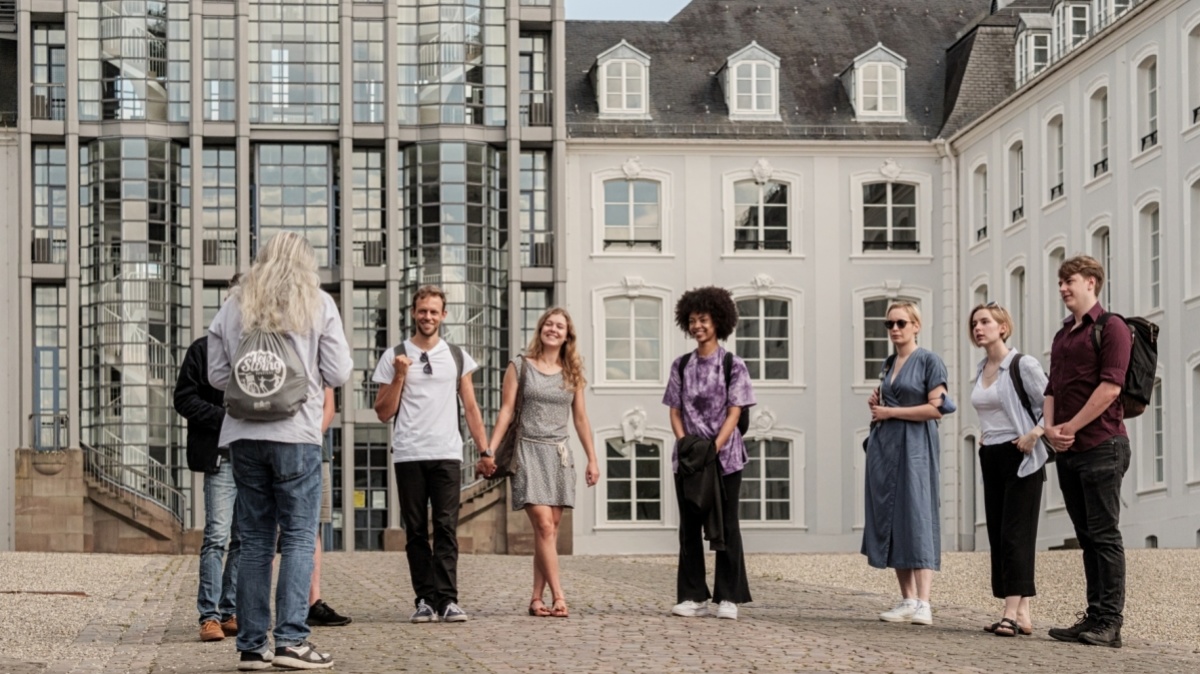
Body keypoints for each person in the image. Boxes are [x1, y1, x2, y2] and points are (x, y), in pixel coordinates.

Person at [209, 232, 353, 671]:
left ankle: (252, 646)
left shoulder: (235, 304)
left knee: (253, 540)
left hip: (245, 434)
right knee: (296, 538)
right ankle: (291, 641)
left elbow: (217, 375)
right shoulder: (317, 303)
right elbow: (340, 370)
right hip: (297, 432)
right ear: (305, 263)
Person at [372, 285, 489, 624]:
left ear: (443, 315)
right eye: (422, 311)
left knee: (446, 527)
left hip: (446, 452)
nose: (428, 317)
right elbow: (382, 411)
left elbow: (470, 407)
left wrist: (485, 449)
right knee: (416, 531)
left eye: (434, 311)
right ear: (413, 312)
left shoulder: (456, 355)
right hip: (409, 452)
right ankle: (424, 598)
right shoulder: (394, 355)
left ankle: (448, 599)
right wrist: (399, 375)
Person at [478, 307, 600, 618]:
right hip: (528, 452)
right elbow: (506, 411)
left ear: (566, 335)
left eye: (560, 326)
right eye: (549, 323)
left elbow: (582, 419)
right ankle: (559, 596)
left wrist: (592, 459)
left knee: (550, 531)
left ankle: (535, 598)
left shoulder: (573, 374)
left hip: (559, 455)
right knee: (544, 526)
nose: (553, 329)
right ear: (540, 329)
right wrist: (489, 449)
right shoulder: (520, 366)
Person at [1044, 256, 1131, 648]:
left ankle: (1110, 622)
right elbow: (1052, 389)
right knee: (1085, 536)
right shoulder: (1063, 335)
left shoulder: (1111, 328)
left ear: (1092, 283)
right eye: (1061, 282)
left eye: (1070, 281)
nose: (1063, 288)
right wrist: (1050, 430)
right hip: (1068, 449)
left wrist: (1070, 427)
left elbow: (1111, 388)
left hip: (1102, 445)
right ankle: (1093, 616)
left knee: (1104, 535)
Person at [662, 286, 755, 621]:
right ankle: (691, 596)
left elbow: (735, 411)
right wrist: (687, 444)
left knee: (727, 525)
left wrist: (713, 448)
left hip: (726, 459)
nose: (697, 325)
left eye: (703, 319)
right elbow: (674, 410)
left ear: (718, 321)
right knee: (689, 526)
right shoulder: (681, 364)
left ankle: (728, 597)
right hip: (687, 461)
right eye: (692, 320)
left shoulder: (733, 364)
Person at [864, 301, 953, 626]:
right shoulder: (889, 363)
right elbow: (889, 403)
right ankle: (907, 598)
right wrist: (879, 404)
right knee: (891, 514)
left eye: (901, 323)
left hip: (916, 447)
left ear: (916, 325)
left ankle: (924, 602)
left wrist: (892, 412)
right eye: (890, 324)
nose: (895, 329)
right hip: (886, 447)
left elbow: (937, 408)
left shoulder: (929, 360)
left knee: (918, 513)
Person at [967, 302, 1049, 637]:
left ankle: (1010, 614)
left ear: (1003, 327)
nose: (978, 328)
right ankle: (1023, 614)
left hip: (1021, 455)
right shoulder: (981, 367)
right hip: (991, 455)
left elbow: (1052, 404)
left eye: (985, 321)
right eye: (974, 323)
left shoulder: (1022, 364)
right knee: (1000, 534)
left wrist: (1035, 433)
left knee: (1017, 534)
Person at [175, 333, 239, 643]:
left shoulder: (263, 346)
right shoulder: (203, 349)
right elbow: (183, 398)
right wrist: (225, 418)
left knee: (244, 540)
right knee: (217, 536)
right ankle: (209, 616)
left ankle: (229, 612)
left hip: (255, 456)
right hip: (221, 457)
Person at [308, 387, 352, 627]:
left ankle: (313, 603)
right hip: (276, 445)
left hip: (315, 449)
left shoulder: (317, 351)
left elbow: (329, 406)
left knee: (312, 528)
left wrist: (310, 437)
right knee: (268, 531)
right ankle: (258, 609)